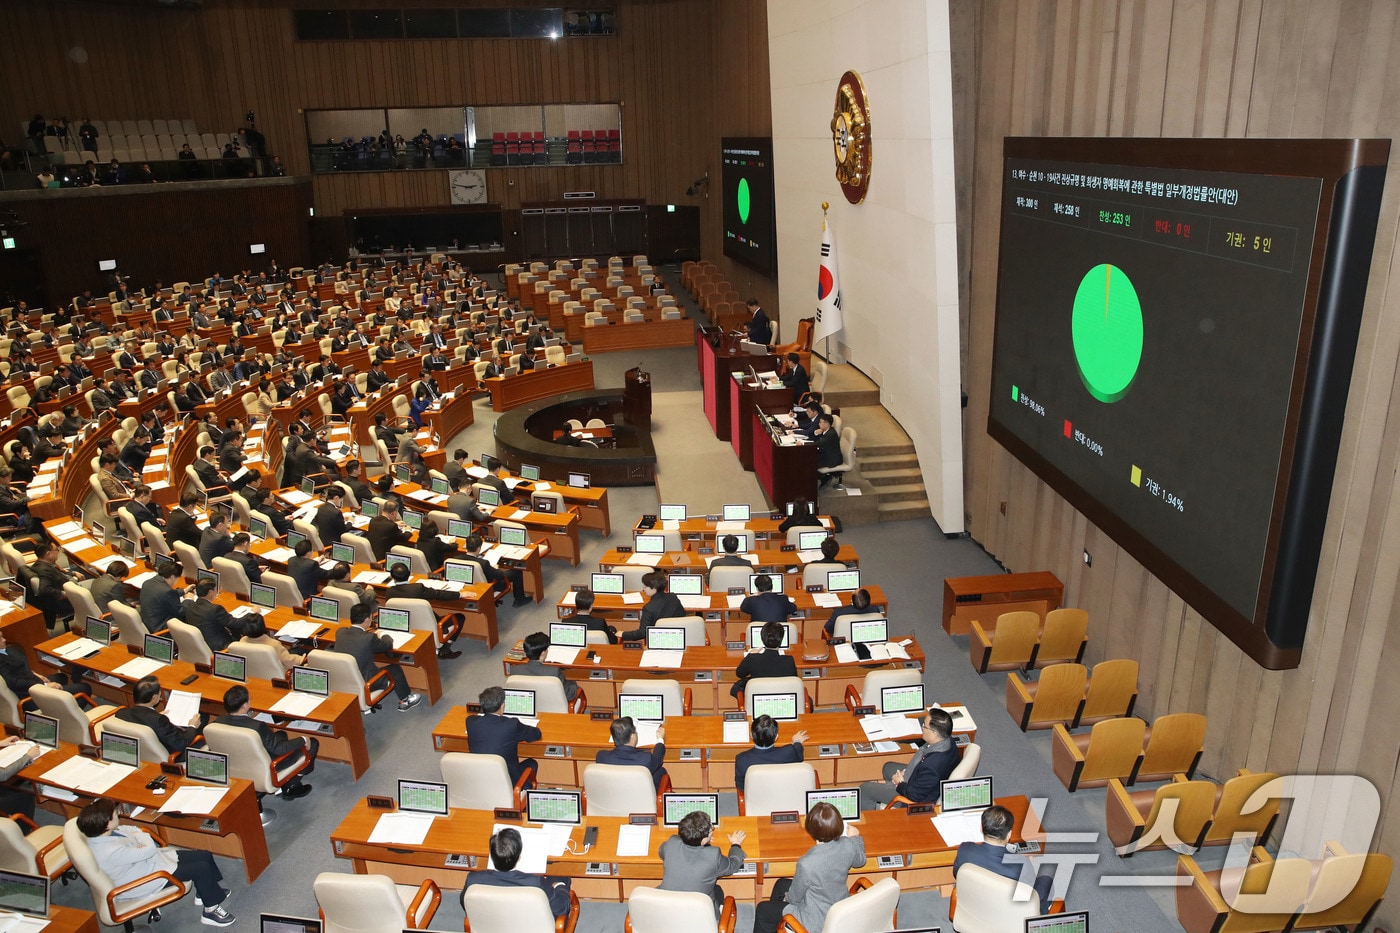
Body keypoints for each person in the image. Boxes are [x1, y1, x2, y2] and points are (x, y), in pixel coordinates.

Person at [77, 798, 236, 927]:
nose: (117, 814)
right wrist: (142, 838)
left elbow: (131, 830)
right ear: (107, 824)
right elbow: (149, 848)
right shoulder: (110, 852)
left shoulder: (103, 834)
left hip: (146, 864)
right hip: (145, 879)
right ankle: (210, 911)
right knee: (201, 868)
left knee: (205, 855)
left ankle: (206, 892)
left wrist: (140, 838)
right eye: (114, 814)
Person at [752, 802, 865, 933]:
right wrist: (855, 838)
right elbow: (860, 861)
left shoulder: (806, 863)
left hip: (815, 920)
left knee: (762, 910)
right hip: (837, 905)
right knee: (781, 884)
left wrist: (786, 898)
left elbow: (794, 899)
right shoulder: (847, 845)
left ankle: (784, 923)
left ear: (811, 829)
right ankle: (779, 926)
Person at [214, 684, 316, 798]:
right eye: (249, 700)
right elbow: (280, 749)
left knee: (281, 734)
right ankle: (292, 785)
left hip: (236, 764)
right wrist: (302, 739)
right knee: (313, 743)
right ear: (244, 706)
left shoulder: (218, 722)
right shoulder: (257, 727)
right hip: (268, 766)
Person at [953, 804, 1054, 912]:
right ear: (1009, 834)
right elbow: (1028, 895)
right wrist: (1027, 863)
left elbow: (956, 874)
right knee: (1045, 881)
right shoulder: (1022, 865)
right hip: (1007, 911)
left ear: (981, 828)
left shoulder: (965, 849)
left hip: (976, 904)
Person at [858, 708, 959, 810]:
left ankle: (870, 818)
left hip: (914, 798)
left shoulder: (931, 767)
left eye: (924, 726)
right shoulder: (947, 740)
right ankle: (886, 791)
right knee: (887, 768)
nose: (922, 728)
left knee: (865, 789)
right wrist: (905, 771)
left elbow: (915, 795)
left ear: (934, 733)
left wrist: (900, 783)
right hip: (920, 777)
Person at [461, 827, 572, 917]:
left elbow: (465, 903)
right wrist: (558, 885)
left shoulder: (473, 879)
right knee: (561, 877)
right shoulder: (536, 883)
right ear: (518, 856)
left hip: (493, 925)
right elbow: (562, 908)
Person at [658, 811, 747, 916]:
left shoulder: (671, 843)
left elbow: (662, 852)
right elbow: (733, 865)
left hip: (666, 912)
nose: (711, 831)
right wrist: (736, 844)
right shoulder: (713, 856)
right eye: (711, 830)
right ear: (704, 839)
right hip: (700, 917)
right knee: (718, 891)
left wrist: (700, 845)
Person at [335, 604, 422, 711]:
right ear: (367, 620)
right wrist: (383, 634)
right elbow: (387, 645)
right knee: (394, 669)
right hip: (365, 682)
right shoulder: (369, 638)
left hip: (344, 680)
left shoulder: (340, 632)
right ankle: (406, 700)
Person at [465, 685, 540, 786]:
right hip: (509, 782)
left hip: (481, 780)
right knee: (532, 763)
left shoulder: (470, 722)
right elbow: (536, 735)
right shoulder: (512, 725)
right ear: (502, 706)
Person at [115, 675, 201, 758]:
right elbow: (181, 744)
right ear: (154, 697)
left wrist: (155, 716)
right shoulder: (159, 720)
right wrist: (192, 726)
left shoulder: (120, 713)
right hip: (173, 755)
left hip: (138, 752)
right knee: (203, 723)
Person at [734, 714, 809, 793]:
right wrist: (797, 741)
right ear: (776, 737)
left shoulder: (741, 759)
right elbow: (799, 755)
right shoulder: (789, 752)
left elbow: (741, 786)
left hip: (758, 798)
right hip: (785, 793)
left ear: (751, 735)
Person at [731, 621, 799, 699]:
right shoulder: (789, 660)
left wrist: (750, 655)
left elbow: (739, 674)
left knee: (738, 686)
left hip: (757, 696)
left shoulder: (752, 658)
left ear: (762, 638)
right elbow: (794, 680)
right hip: (782, 696)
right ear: (781, 639)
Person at [460, 533, 529, 608]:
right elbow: (500, 575)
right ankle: (520, 599)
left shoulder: (457, 558)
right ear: (478, 548)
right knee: (516, 571)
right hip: (489, 587)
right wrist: (496, 568)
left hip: (467, 586)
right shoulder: (483, 563)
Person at [596, 716, 667, 785]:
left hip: (612, 794)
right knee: (660, 771)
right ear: (632, 736)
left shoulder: (601, 757)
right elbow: (657, 758)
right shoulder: (646, 759)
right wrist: (660, 739)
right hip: (640, 794)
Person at [619, 571, 683, 643]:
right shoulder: (673, 597)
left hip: (658, 640)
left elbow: (643, 633)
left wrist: (623, 634)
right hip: (677, 637)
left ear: (654, 589)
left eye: (646, 587)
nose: (643, 589)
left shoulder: (648, 608)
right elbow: (682, 615)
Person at [519, 632, 578, 702]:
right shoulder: (554, 672)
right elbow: (569, 695)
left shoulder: (514, 670)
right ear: (543, 653)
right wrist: (574, 684)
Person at [239, 615, 307, 672]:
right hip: (280, 675)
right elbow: (290, 663)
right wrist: (303, 659)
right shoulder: (273, 645)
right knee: (301, 651)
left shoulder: (242, 641)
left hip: (255, 672)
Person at [186, 578, 238, 651]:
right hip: (221, 647)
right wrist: (252, 615)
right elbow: (235, 623)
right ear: (210, 592)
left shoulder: (190, 606)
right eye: (216, 589)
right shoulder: (215, 609)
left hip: (202, 646)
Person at [139, 560, 189, 632]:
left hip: (147, 624)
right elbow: (181, 612)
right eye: (177, 578)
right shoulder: (167, 591)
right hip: (161, 630)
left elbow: (163, 595)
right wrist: (188, 599)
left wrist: (183, 591)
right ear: (172, 577)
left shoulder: (147, 583)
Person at [813, 414, 842, 486]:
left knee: (810, 463)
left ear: (827, 423)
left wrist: (803, 444)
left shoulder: (830, 434)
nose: (819, 424)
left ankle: (822, 478)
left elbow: (819, 443)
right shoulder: (827, 430)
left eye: (820, 422)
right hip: (825, 453)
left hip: (832, 459)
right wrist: (817, 433)